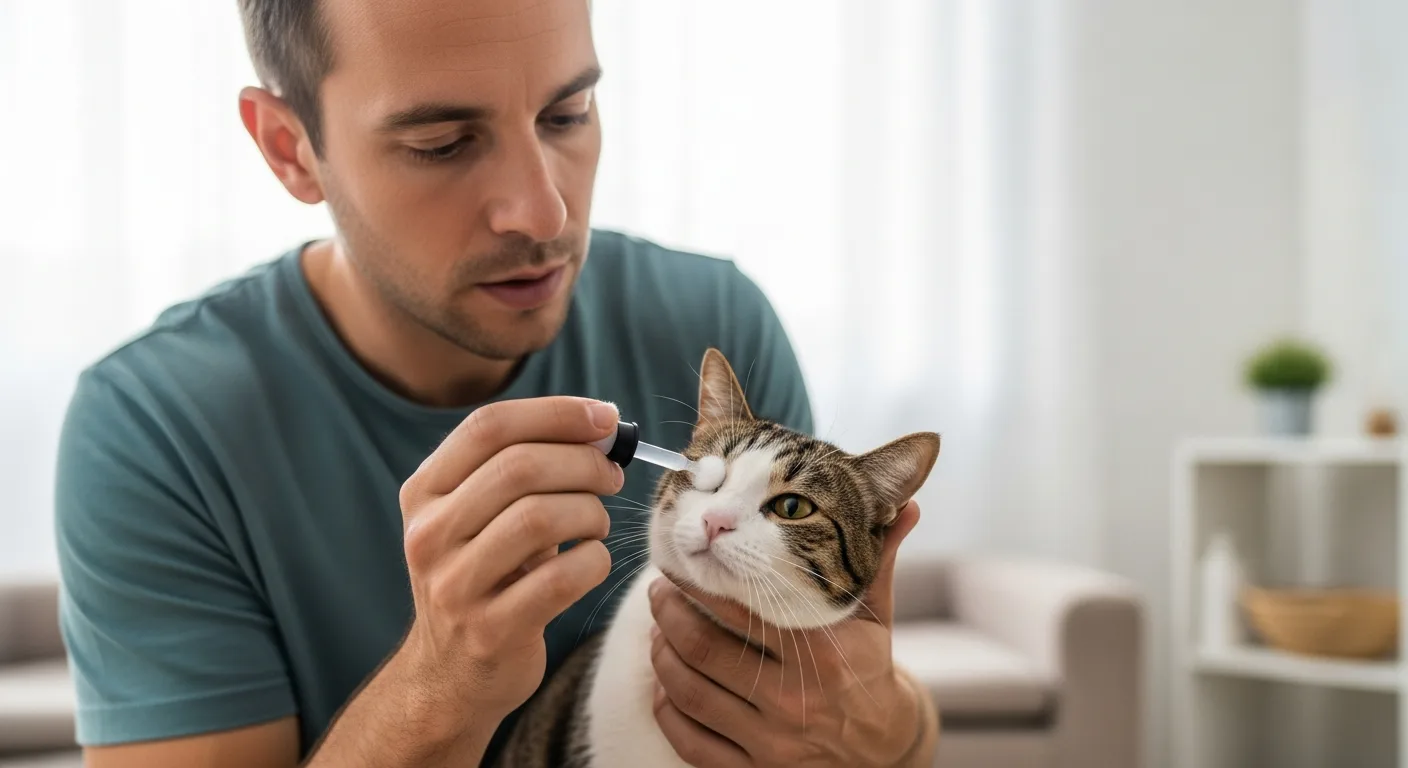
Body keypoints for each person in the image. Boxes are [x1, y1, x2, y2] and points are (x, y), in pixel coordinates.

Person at [52, 0, 941, 765]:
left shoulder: (714, 322)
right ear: (291, 149)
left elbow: (842, 704)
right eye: (442, 143)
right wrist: (441, 684)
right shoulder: (154, 428)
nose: (543, 212)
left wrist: (888, 737)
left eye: (568, 113)